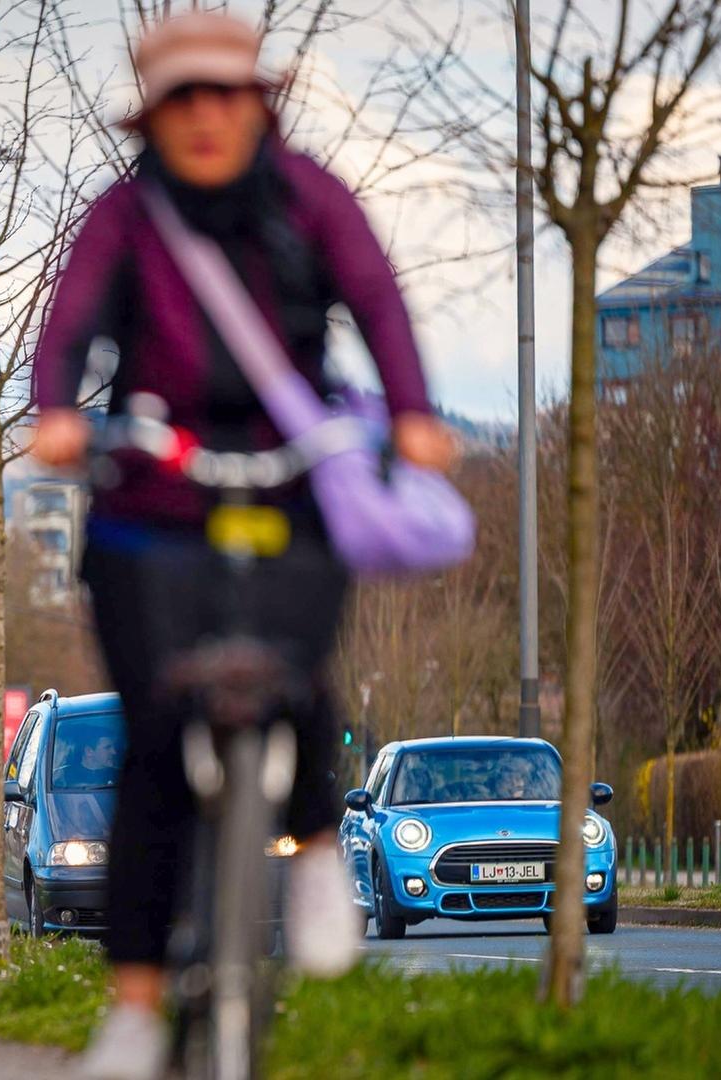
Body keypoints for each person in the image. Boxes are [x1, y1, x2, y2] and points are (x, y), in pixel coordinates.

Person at [27, 14, 458, 1079]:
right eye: (183, 102)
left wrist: (412, 413)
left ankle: (314, 852)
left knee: (299, 680)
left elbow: (378, 299)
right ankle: (133, 1009)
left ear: (258, 103)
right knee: (155, 740)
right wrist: (58, 411)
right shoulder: (125, 217)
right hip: (151, 500)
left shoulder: (311, 199)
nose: (207, 118)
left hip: (292, 478)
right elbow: (70, 322)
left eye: (225, 96)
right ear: (155, 120)